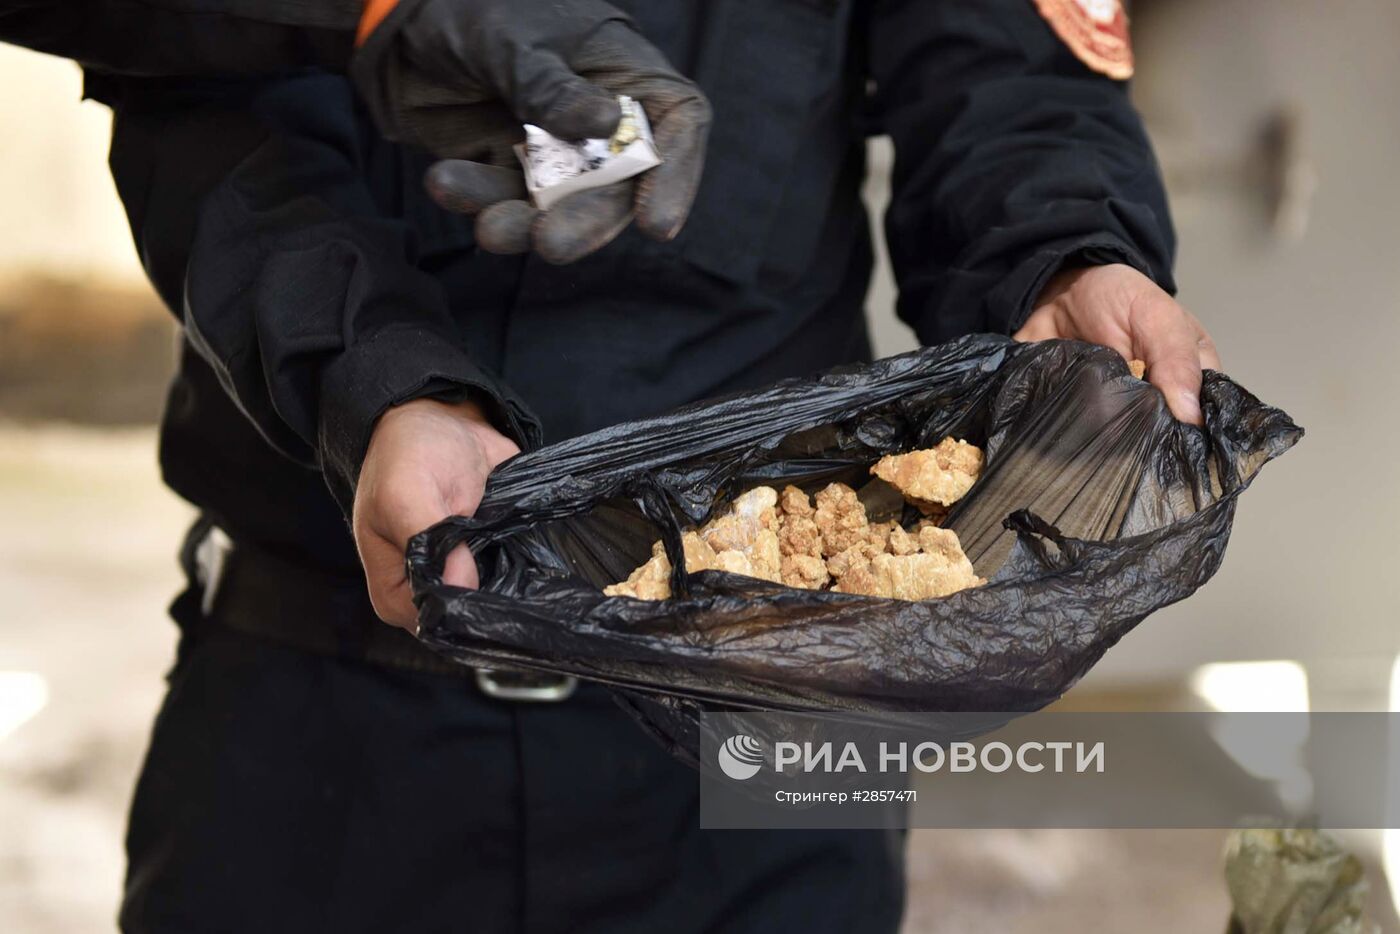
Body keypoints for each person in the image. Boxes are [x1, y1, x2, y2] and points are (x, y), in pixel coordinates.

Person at [32, 0, 1220, 930]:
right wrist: (380, 381)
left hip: (762, 714)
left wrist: (1064, 254)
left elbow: (1005, 70)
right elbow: (206, 96)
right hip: (322, 701)